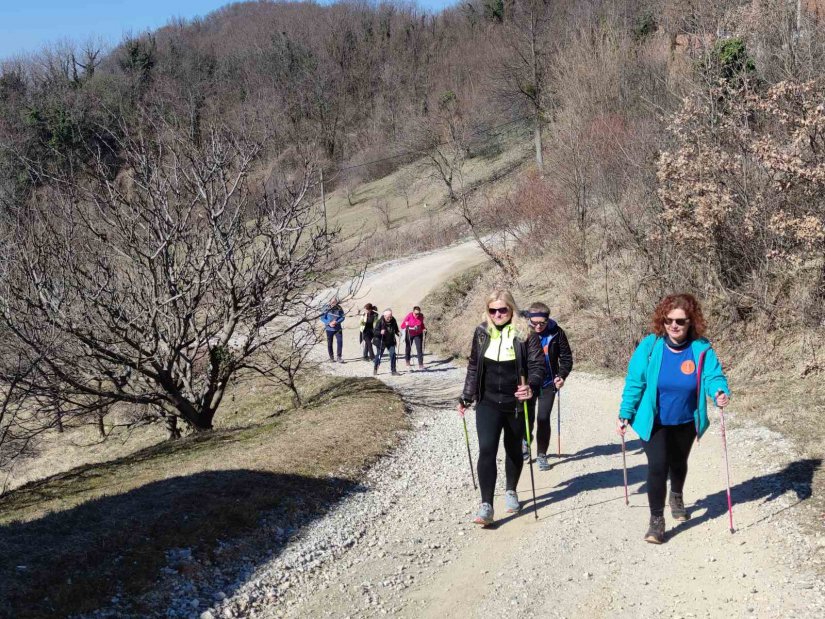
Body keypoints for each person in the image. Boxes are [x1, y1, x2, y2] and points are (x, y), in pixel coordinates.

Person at [617, 293, 731, 544]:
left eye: (680, 321)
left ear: (691, 321)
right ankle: (656, 521)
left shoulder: (701, 348)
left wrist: (719, 392)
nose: (674, 326)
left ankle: (676, 495)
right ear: (662, 320)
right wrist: (625, 412)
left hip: (686, 419)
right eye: (669, 321)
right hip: (654, 420)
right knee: (657, 466)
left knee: (678, 462)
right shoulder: (650, 346)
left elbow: (713, 377)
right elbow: (635, 381)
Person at [457, 290, 544, 526]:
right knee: (486, 449)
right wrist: (466, 396)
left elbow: (537, 366)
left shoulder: (526, 334)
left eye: (502, 309)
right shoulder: (482, 332)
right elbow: (474, 366)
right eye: (493, 310)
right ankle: (486, 505)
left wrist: (532, 387)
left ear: (512, 309)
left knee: (514, 449)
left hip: (515, 402)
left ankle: (511, 490)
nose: (497, 314)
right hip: (487, 402)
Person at [523, 302, 573, 471]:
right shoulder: (521, 333)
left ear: (548, 319)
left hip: (548, 383)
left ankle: (542, 454)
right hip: (527, 384)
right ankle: (525, 440)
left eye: (542, 323)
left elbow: (566, 358)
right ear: (528, 319)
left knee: (543, 418)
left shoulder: (557, 333)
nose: (538, 326)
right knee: (526, 417)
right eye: (534, 323)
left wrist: (562, 375)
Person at [373, 308, 401, 376]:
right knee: (379, 355)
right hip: (381, 341)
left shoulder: (393, 320)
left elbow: (396, 329)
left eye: (391, 316)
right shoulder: (380, 322)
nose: (390, 318)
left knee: (393, 354)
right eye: (388, 317)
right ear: (384, 316)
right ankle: (375, 368)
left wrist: (398, 333)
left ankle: (393, 371)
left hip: (391, 341)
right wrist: (380, 332)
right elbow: (374, 332)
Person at [400, 306, 426, 370]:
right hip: (409, 333)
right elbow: (402, 325)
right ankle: (407, 361)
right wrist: (407, 325)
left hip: (418, 334)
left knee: (419, 348)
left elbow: (421, 324)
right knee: (408, 348)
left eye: (418, 314)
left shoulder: (421, 316)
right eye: (416, 314)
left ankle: (421, 364)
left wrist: (424, 328)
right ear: (413, 312)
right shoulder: (409, 316)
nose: (417, 315)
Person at [320, 297, 346, 363]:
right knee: (329, 343)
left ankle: (339, 357)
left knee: (340, 341)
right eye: (332, 302)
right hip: (329, 328)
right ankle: (331, 358)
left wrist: (336, 322)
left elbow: (343, 317)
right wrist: (329, 323)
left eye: (335, 302)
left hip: (338, 328)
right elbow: (322, 318)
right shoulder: (325, 308)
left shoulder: (339, 308)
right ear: (329, 301)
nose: (333, 303)